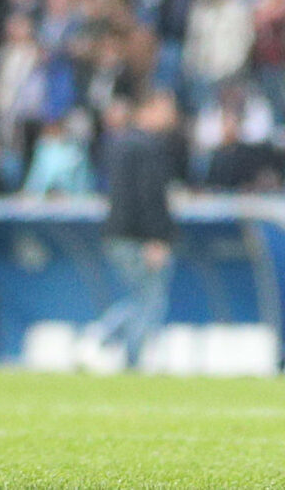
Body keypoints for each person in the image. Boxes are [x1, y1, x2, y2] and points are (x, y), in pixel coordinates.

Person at [94, 90, 181, 370]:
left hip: (117, 232)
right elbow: (149, 195)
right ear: (149, 108)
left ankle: (102, 337)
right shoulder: (149, 146)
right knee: (150, 300)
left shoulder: (119, 142)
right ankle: (123, 353)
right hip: (138, 236)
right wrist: (157, 238)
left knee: (141, 298)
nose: (172, 116)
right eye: (166, 108)